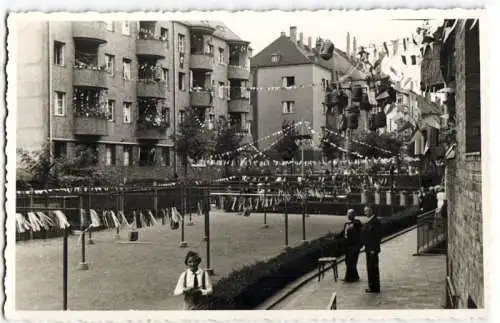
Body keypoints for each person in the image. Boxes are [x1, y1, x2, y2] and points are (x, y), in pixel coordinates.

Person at [362, 205, 382, 293]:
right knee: (370, 268)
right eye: (364, 211)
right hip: (368, 248)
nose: (365, 213)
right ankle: (372, 286)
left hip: (372, 249)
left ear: (371, 211)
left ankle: (374, 287)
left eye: (366, 211)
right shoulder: (369, 221)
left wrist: (374, 249)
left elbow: (377, 236)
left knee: (373, 268)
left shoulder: (375, 221)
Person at [342, 209, 362, 282]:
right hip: (347, 246)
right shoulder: (346, 224)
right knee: (347, 261)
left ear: (353, 215)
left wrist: (360, 245)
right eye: (347, 214)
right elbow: (342, 233)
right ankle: (355, 276)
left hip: (354, 246)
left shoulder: (357, 223)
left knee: (351, 261)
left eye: (349, 214)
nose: (348, 215)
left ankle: (348, 278)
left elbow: (360, 230)